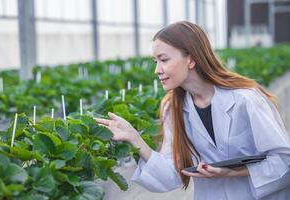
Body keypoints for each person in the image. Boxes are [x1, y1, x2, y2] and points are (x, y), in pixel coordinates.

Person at [95, 21, 290, 200]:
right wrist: (134, 138)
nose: (157, 70)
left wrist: (233, 171)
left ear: (191, 59)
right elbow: (172, 174)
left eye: (163, 59)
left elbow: (283, 161)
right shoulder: (172, 107)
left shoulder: (245, 99)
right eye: (156, 61)